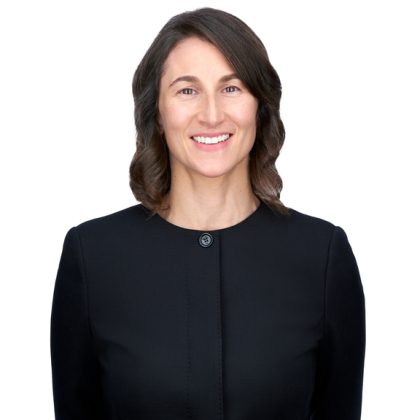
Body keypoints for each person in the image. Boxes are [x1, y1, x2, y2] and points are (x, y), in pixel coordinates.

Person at [50, 7, 366, 420]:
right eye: (187, 90)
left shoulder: (322, 255)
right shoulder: (92, 256)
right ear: (157, 114)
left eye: (231, 88)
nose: (212, 113)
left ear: (260, 106)